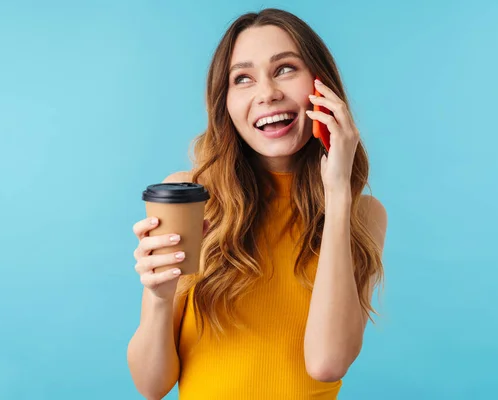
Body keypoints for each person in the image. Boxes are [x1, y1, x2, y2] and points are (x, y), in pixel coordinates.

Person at [127, 8, 388, 400]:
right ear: (225, 103)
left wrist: (337, 194)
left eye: (285, 69)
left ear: (323, 86)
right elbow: (151, 386)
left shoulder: (361, 214)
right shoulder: (189, 197)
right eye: (242, 78)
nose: (267, 93)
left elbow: (327, 363)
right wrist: (159, 298)